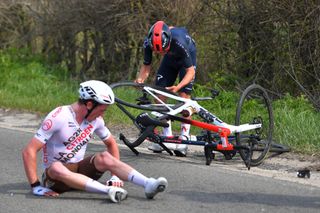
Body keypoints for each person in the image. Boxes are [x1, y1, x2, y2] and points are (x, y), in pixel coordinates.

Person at [22, 80, 168, 203]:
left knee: (104, 156)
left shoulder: (96, 120)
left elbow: (111, 144)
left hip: (80, 169)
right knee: (56, 167)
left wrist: (114, 175)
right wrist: (35, 186)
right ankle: (108, 191)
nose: (102, 114)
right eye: (102, 110)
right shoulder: (58, 117)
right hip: (56, 179)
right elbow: (29, 151)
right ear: (90, 104)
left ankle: (148, 183)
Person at [135, 20, 197, 157]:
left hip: (186, 59)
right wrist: (141, 79)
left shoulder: (179, 41)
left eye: (163, 49)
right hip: (170, 60)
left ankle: (184, 138)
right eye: (158, 51)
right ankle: (167, 136)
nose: (161, 52)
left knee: (183, 97)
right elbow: (146, 66)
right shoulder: (148, 43)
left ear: (167, 40)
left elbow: (190, 72)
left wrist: (179, 86)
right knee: (159, 94)